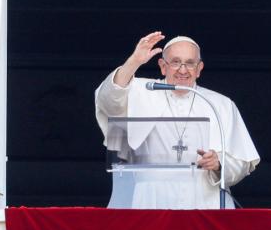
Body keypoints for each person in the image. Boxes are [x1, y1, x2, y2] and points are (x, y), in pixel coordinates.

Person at [95, 31, 260, 209]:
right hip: (151, 202)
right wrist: (134, 61)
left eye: (190, 63)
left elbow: (242, 161)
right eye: (175, 62)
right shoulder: (141, 92)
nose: (183, 70)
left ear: (199, 69)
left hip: (204, 202)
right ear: (162, 66)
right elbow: (108, 99)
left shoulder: (220, 104)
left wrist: (219, 164)